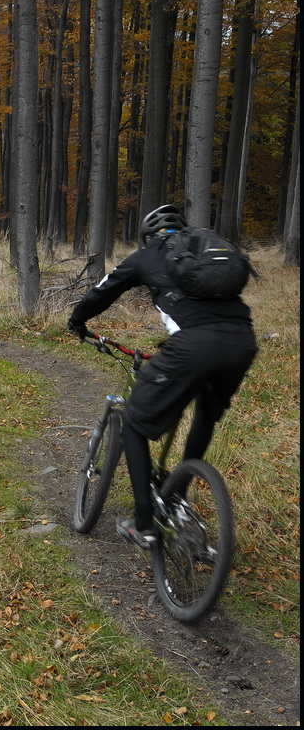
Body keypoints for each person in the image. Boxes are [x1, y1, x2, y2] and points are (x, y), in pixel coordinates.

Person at [66, 204, 258, 549]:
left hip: (192, 346)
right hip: (242, 342)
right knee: (206, 413)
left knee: (133, 422)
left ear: (148, 235)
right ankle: (177, 496)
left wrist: (77, 320)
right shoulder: (203, 253)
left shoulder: (147, 254)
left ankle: (144, 524)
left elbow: (104, 290)